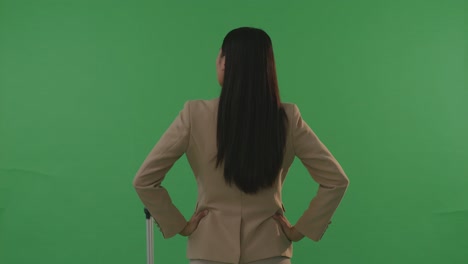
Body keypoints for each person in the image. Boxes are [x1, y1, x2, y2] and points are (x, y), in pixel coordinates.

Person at [133, 27, 349, 264]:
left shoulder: (193, 115)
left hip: (209, 252)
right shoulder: (287, 117)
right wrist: (299, 230)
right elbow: (335, 180)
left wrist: (180, 226)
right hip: (270, 251)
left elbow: (144, 180)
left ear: (224, 63)